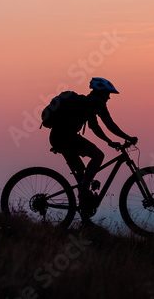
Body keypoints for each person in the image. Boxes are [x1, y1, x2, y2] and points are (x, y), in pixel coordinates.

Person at [48, 77, 138, 220]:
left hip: (59, 137)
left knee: (81, 172)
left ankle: (85, 213)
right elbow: (110, 125)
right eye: (108, 93)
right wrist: (128, 137)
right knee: (98, 156)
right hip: (66, 137)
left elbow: (94, 127)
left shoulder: (87, 102)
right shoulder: (97, 103)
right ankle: (85, 191)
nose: (109, 97)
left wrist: (109, 141)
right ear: (101, 92)